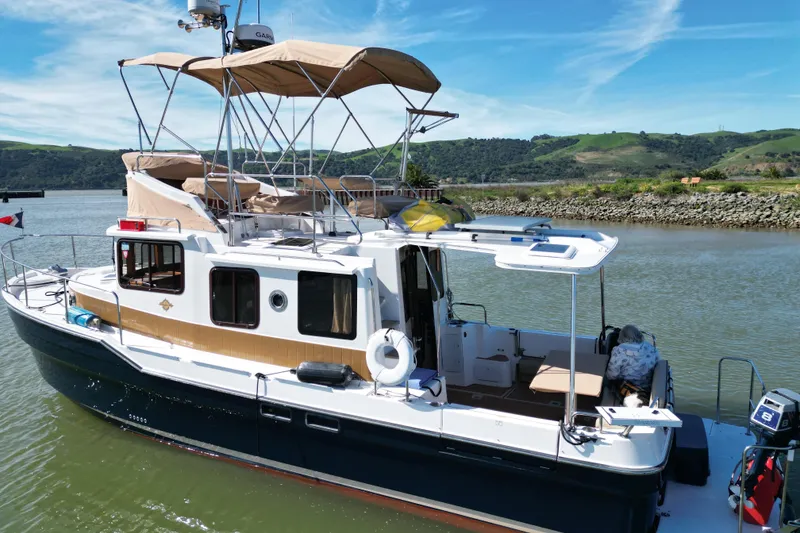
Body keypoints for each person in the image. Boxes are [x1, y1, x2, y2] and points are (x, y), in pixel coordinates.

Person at [606, 325, 660, 406]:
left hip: (627, 388)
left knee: (605, 380)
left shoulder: (619, 350)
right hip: (648, 388)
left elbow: (612, 375)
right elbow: (657, 366)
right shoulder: (651, 348)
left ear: (621, 337)